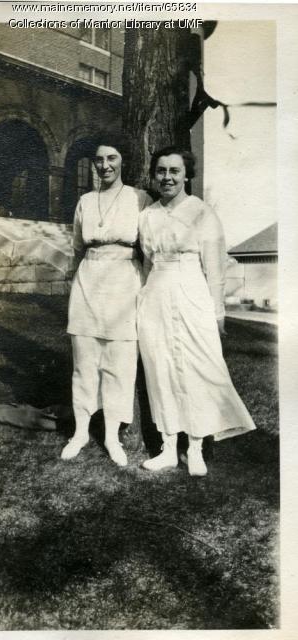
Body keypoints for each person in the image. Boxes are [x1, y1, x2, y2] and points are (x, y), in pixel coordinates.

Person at [137, 146, 256, 476]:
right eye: (161, 171)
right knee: (159, 368)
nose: (167, 177)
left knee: (197, 369)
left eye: (175, 171)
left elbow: (214, 270)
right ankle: (168, 448)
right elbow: (147, 264)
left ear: (187, 174)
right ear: (154, 176)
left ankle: (195, 447)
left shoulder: (202, 213)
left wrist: (217, 314)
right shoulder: (146, 217)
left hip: (193, 295)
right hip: (156, 296)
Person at [61, 134, 152, 467]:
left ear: (122, 161)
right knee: (84, 362)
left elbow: (149, 247)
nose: (105, 165)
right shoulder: (85, 201)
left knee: (119, 363)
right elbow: (75, 248)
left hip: (125, 282)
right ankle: (81, 431)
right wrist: (72, 285)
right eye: (99, 160)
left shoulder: (139, 199)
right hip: (88, 280)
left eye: (111, 158)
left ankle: (112, 435)